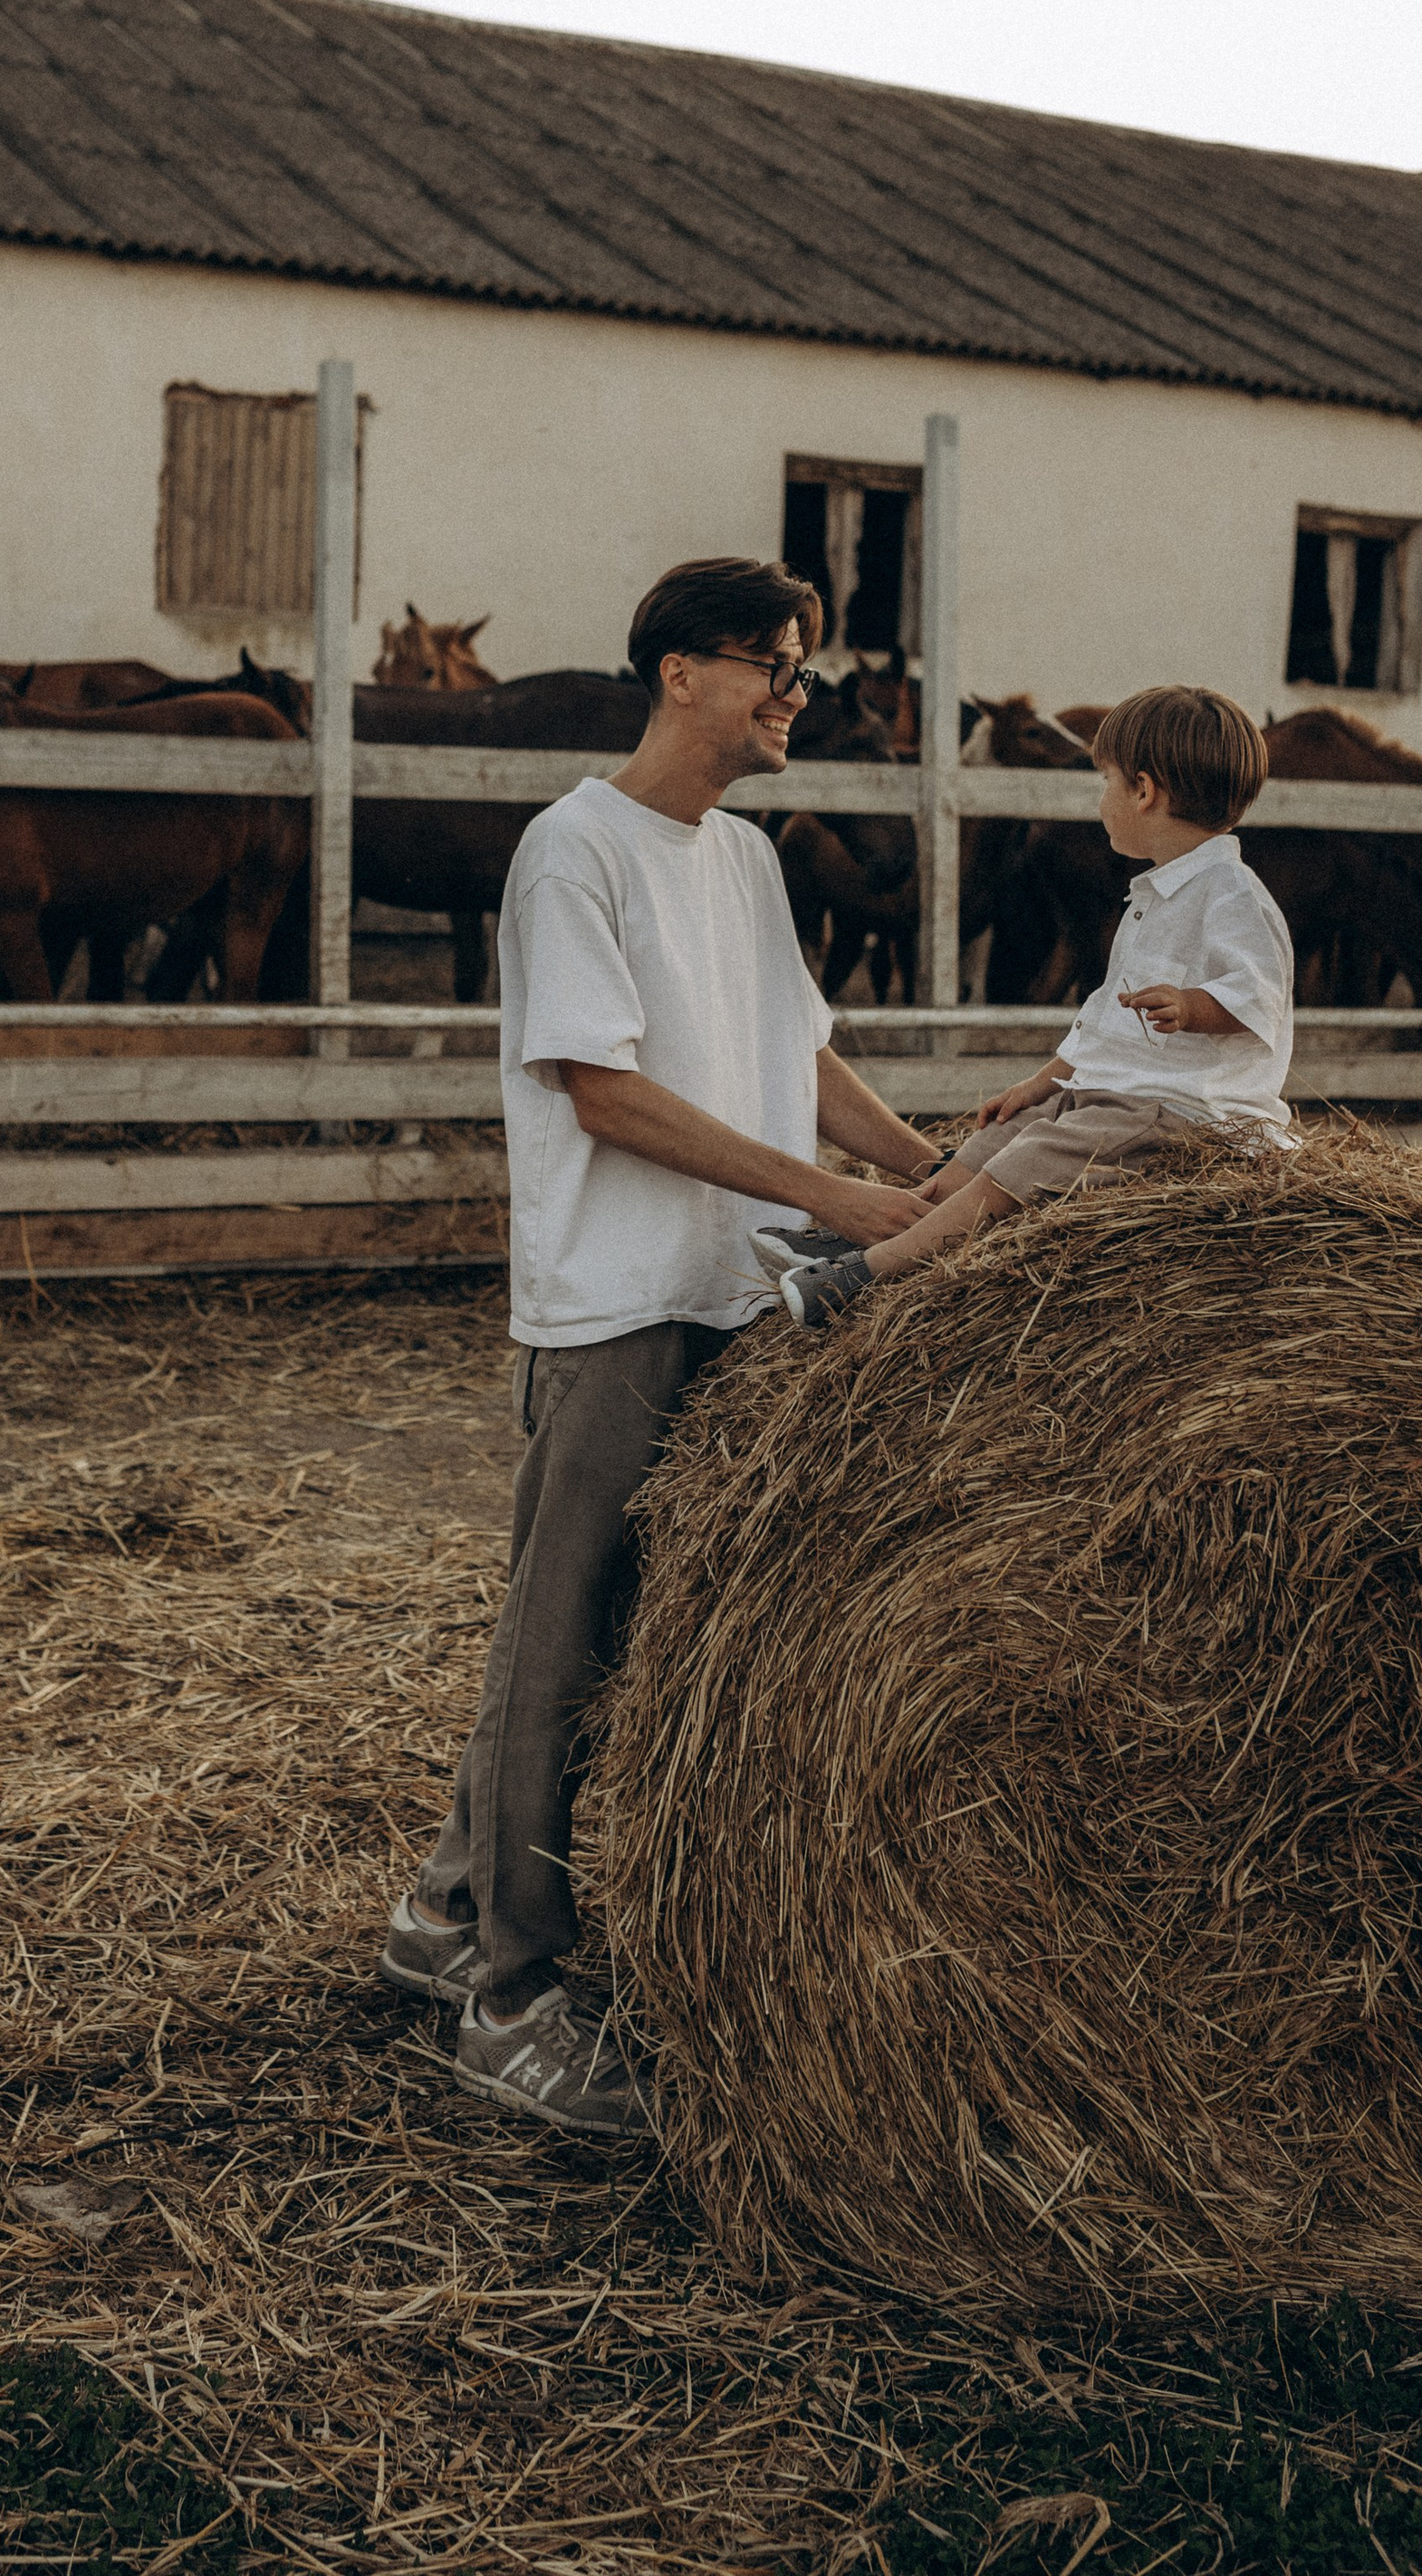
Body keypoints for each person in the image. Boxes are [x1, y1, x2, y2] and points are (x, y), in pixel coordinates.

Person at [374, 555, 946, 2132]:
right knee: (557, 1644)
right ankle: (509, 1997)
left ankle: (440, 1913)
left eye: (804, 670)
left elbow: (804, 1057)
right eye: (774, 663)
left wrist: (927, 1169)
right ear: (677, 672)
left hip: (735, 1297)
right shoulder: (577, 854)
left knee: (622, 1636)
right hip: (619, 1303)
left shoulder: (745, 864)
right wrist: (833, 1193)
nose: (795, 696)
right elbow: (601, 1091)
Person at [758, 683, 1293, 1328]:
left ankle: (866, 1277)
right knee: (990, 1146)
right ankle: (869, 1234)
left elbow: (1259, 993)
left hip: (1183, 1111)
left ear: (1145, 792)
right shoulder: (1156, 893)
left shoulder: (1232, 894)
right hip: (1120, 1096)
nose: (1100, 801)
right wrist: (1038, 1086)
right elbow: (1102, 1017)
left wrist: (1194, 1005)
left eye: (1107, 783)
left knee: (1023, 1166)